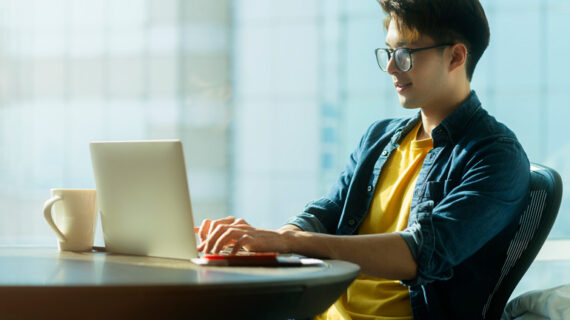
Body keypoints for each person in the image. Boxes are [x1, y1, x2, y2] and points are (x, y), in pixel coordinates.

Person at [197, 0, 530, 319]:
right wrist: (268, 242)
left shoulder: (495, 156)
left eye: (404, 53)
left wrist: (288, 242)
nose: (390, 67)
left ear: (456, 56)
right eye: (388, 51)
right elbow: (326, 211)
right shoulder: (380, 137)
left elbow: (422, 252)